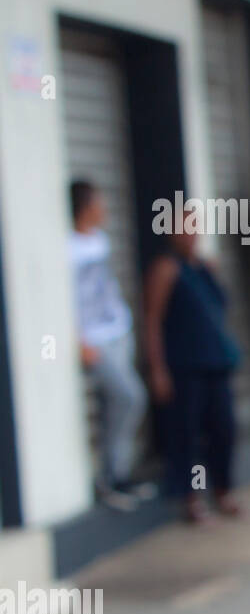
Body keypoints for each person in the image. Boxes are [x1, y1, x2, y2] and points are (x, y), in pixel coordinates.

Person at [142, 206, 243, 524]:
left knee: (224, 428)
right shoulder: (166, 269)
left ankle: (222, 490)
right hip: (184, 366)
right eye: (185, 226)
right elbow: (153, 320)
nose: (192, 233)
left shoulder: (204, 267)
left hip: (215, 362)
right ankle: (192, 498)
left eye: (195, 225)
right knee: (187, 434)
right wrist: (157, 369)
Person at [67, 180, 156, 512]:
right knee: (130, 396)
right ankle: (108, 477)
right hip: (94, 340)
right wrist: (78, 339)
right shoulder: (65, 245)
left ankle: (120, 473)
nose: (104, 209)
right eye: (99, 203)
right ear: (85, 206)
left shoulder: (99, 240)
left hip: (117, 331)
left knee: (115, 405)